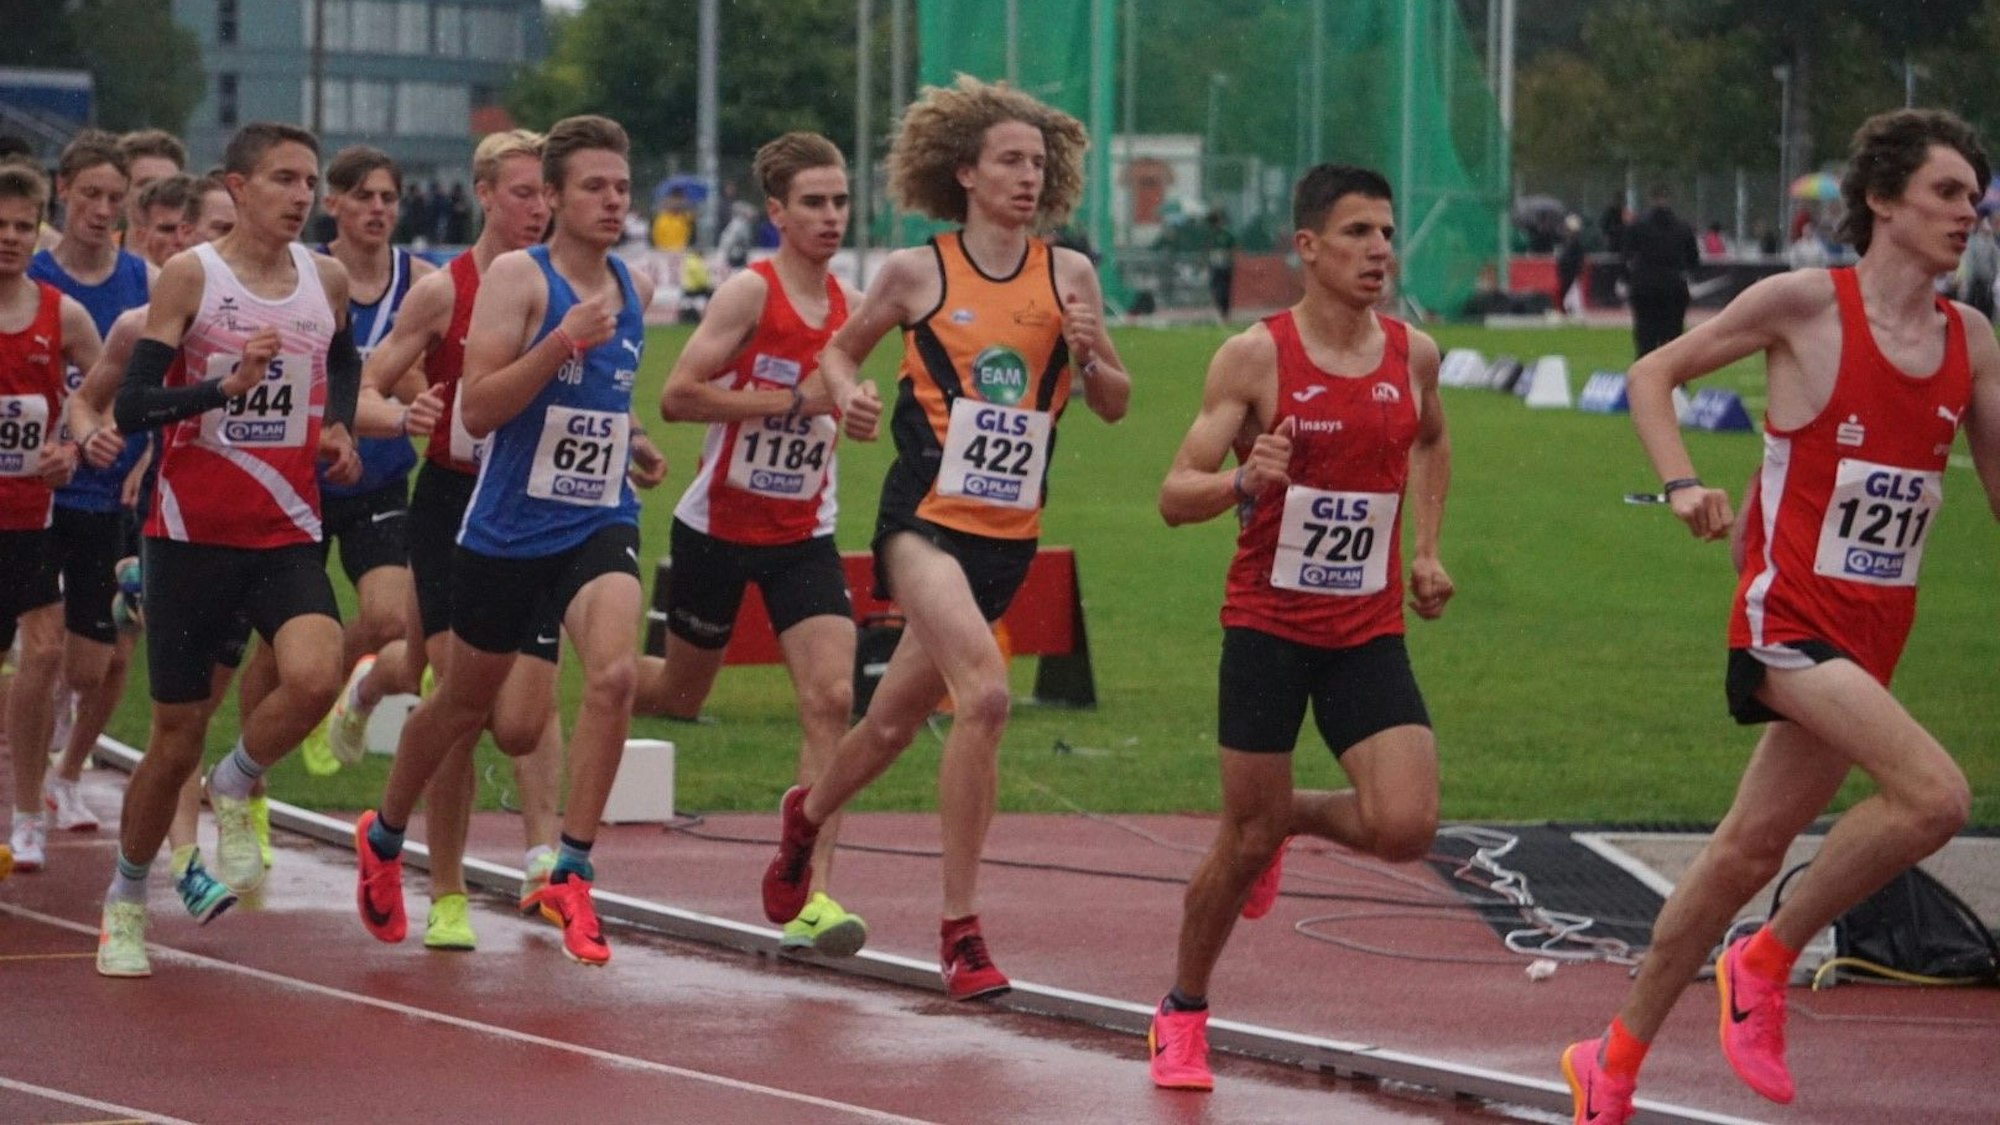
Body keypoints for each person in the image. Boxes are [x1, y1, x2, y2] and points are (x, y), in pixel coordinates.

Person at [1559, 108, 2000, 1125]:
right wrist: (1680, 483)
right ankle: (1764, 958)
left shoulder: (1971, 340)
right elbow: (1651, 373)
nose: (1967, 214)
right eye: (1945, 192)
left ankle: (1607, 1061)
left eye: (1974, 199)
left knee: (1743, 852)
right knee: (1934, 797)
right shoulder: (1805, 304)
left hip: (1870, 637)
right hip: (1786, 618)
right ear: (1881, 199)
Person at [759, 75, 1131, 1000]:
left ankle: (805, 819)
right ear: (965, 172)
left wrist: (1093, 353)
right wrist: (846, 393)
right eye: (1009, 161)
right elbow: (840, 349)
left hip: (1010, 534)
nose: (1027, 177)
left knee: (889, 723)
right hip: (922, 522)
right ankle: (961, 931)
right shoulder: (917, 272)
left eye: (1037, 163)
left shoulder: (1070, 276)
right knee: (988, 694)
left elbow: (1116, 406)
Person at [1145, 164, 1453, 1091]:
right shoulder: (1255, 357)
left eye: (1387, 232)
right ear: (1308, 247)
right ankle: (1182, 1010)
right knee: (1242, 841)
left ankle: (1287, 820)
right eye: (1358, 233)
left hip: (1367, 627)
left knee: (1406, 826)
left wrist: (1424, 551)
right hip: (1269, 627)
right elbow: (1174, 495)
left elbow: (1432, 438)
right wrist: (1243, 479)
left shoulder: (1414, 354)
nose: (1380, 250)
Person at [352, 114, 659, 967]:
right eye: (593, 187)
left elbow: (600, 396)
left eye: (622, 187)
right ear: (554, 197)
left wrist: (631, 440)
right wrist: (562, 339)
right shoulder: (520, 280)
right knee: (461, 703)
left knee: (615, 675)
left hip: (598, 515)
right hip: (506, 528)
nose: (613, 201)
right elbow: (479, 407)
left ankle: (572, 869)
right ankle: (384, 834)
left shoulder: (632, 285)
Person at [98, 120, 361, 978]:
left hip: (285, 526)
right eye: (284, 178)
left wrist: (337, 423)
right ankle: (126, 898)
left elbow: (344, 359)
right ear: (239, 188)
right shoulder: (193, 276)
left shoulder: (324, 278)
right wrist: (224, 387)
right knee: (174, 737)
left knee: (317, 674)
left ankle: (238, 779)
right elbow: (133, 406)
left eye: (309, 180)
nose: (301, 195)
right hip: (190, 535)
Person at [343, 128, 573, 951]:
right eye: (522, 192)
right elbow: (362, 386)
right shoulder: (446, 291)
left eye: (546, 193)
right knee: (459, 702)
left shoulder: (567, 287)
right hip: (453, 508)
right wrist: (401, 413)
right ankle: (449, 889)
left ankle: (542, 852)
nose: (538, 208)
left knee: (523, 716)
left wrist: (638, 443)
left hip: (538, 508)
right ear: (483, 194)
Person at [644, 131, 866, 956]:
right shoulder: (749, 293)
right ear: (777, 212)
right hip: (717, 528)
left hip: (803, 532)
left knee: (832, 697)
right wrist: (788, 403)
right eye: (813, 203)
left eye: (840, 201)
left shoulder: (853, 307)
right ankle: (595, 680)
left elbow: (848, 392)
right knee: (677, 692)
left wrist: (857, 406)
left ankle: (812, 889)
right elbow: (677, 396)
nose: (831, 216)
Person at [25, 130, 151, 854]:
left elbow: (168, 381)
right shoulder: (31, 275)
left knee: (92, 665)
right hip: (38, 492)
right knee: (42, 652)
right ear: (62, 190)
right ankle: (32, 797)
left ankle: (64, 767)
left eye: (115, 198)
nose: (102, 210)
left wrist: (145, 453)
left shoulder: (145, 282)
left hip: (111, 492)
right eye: (91, 195)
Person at [294, 146, 433, 777]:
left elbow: (425, 382)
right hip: (303, 482)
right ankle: (256, 756)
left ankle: (332, 697)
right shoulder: (306, 275)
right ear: (334, 203)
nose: (377, 209)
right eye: (363, 197)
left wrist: (405, 387)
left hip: (380, 480)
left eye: (388, 198)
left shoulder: (421, 282)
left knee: (388, 618)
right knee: (282, 644)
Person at [0, 159, 100, 877]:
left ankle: (27, 813)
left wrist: (73, 446)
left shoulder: (61, 314)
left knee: (42, 654)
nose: (9, 237)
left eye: (21, 225)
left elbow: (104, 391)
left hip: (32, 518)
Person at [1623, 187, 1700, 358]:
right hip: (1673, 287)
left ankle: (1646, 372)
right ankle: (1674, 374)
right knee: (1673, 339)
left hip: (1645, 287)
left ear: (1651, 199)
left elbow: (1626, 255)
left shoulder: (1638, 226)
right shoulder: (1683, 227)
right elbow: (1694, 260)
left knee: (1645, 339)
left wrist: (1632, 277)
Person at [1204, 209, 1237, 322]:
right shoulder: (1210, 235)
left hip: (1225, 266)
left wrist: (1229, 257)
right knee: (1214, 289)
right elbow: (1207, 249)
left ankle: (1225, 314)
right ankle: (1219, 311)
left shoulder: (1226, 234)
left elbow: (1233, 247)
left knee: (1225, 290)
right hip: (1214, 266)